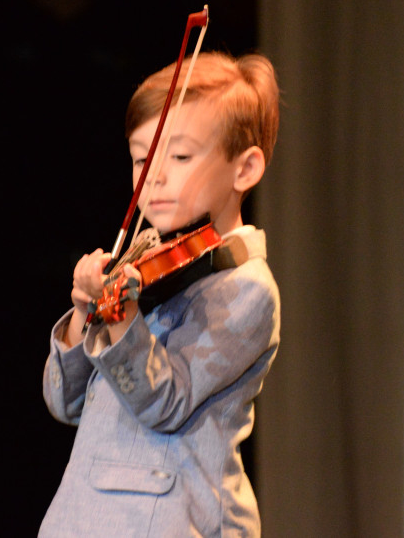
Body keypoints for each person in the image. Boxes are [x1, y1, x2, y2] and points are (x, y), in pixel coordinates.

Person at [39, 50, 281, 537]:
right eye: (140, 159)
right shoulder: (144, 260)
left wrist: (121, 316)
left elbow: (163, 402)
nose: (154, 176)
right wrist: (84, 311)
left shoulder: (247, 289)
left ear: (245, 169)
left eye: (181, 155)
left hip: (168, 520)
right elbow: (63, 402)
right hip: (82, 514)